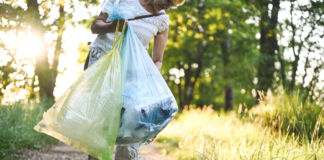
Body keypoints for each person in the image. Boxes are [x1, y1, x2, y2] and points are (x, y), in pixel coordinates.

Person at [85, 0, 185, 159]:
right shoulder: (122, 1)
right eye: (167, 1)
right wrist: (114, 26)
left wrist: (150, 77)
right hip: (103, 68)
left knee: (132, 126)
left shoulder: (162, 20)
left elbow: (157, 60)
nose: (167, 6)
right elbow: (95, 26)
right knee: (101, 123)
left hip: (133, 77)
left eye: (172, 5)